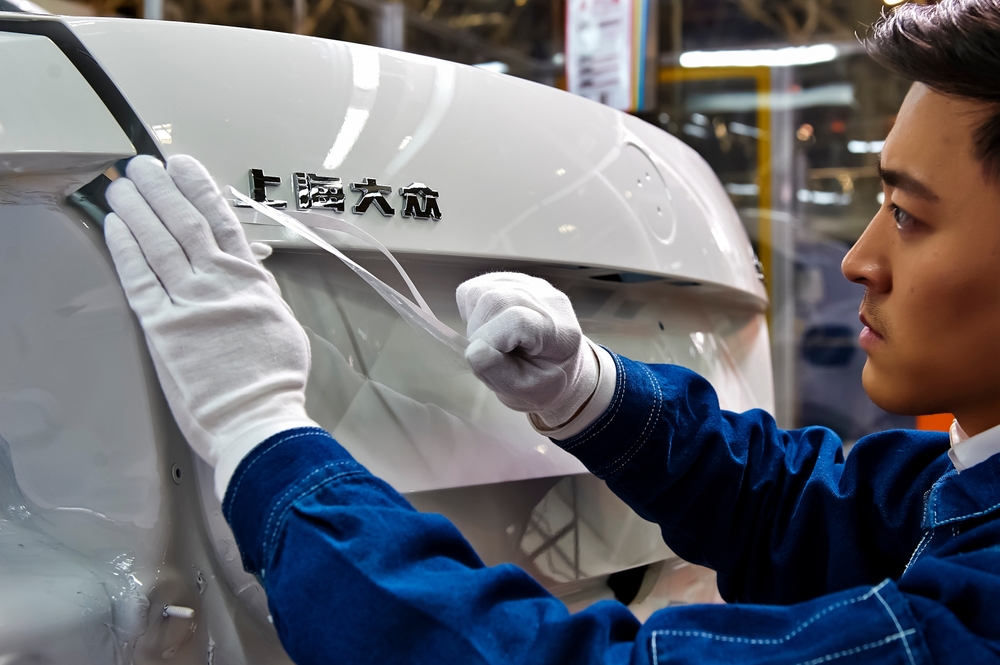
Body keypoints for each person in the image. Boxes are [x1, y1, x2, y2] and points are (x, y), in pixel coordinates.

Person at [102, 1, 999, 662]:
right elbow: (799, 508)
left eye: (908, 214)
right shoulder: (968, 489)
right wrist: (592, 393)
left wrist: (260, 433)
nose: (858, 260)